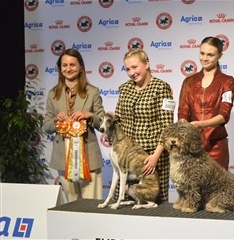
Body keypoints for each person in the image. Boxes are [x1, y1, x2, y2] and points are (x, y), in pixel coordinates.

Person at [44, 48, 105, 202]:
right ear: (60, 68)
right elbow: (47, 127)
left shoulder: (92, 92)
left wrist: (90, 115)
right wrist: (57, 120)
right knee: (71, 206)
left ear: (80, 67)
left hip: (89, 157)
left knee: (91, 207)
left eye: (72, 65)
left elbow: (103, 123)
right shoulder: (53, 94)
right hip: (63, 159)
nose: (68, 69)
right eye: (64, 65)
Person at [114, 49, 174, 203]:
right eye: (128, 69)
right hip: (127, 156)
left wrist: (155, 156)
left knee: (152, 203)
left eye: (135, 67)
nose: (132, 72)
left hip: (151, 157)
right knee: (124, 202)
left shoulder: (162, 88)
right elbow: (118, 120)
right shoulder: (124, 89)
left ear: (146, 64)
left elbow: (167, 128)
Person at [177, 36, 234, 171]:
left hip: (216, 145)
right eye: (202, 53)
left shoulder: (227, 81)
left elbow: (224, 115)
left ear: (219, 56)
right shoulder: (189, 81)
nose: (204, 58)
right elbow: (183, 110)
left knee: (217, 189)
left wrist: (200, 124)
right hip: (191, 145)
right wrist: (185, 129)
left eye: (210, 55)